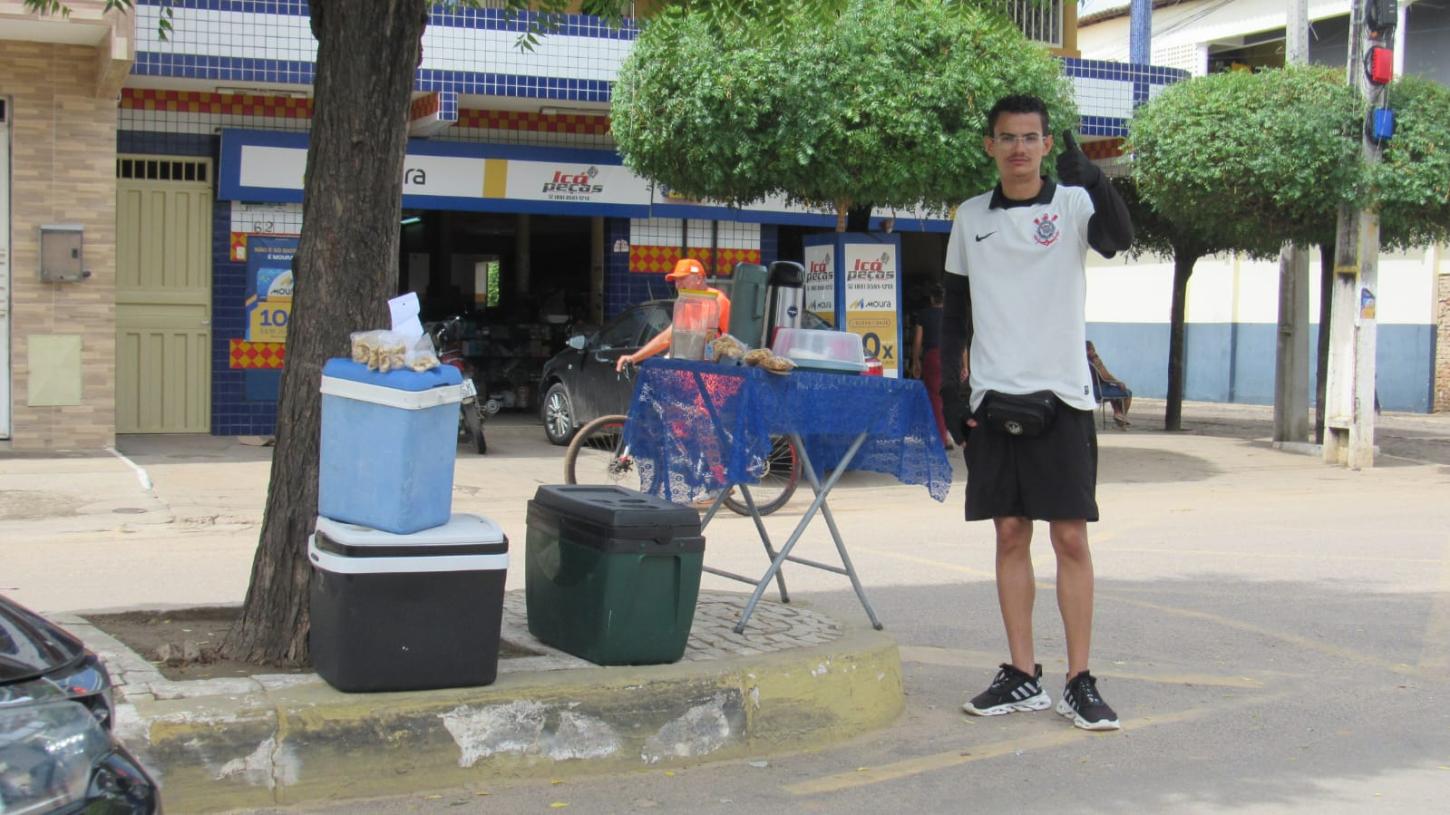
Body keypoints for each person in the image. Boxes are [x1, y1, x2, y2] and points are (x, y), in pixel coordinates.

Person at [939, 94, 1134, 731]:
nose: (1019, 148)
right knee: (1009, 533)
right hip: (994, 399)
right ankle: (1023, 674)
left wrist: (1099, 183)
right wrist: (951, 393)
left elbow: (1118, 240)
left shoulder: (1074, 203)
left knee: (1070, 537)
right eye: (1007, 138)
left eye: (1030, 137)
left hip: (1065, 398)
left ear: (1048, 145)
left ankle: (1080, 679)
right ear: (990, 146)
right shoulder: (970, 217)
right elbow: (953, 315)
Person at [616, 258, 733, 372]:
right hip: (691, 375)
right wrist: (634, 358)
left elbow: (719, 342)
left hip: (713, 376)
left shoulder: (717, 301)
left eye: (682, 279)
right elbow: (667, 337)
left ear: (698, 279)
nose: (677, 285)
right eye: (676, 280)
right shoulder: (686, 303)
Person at [911, 284, 953, 450]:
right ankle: (948, 435)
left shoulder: (924, 315)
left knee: (935, 398)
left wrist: (915, 361)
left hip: (933, 357)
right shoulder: (951, 316)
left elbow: (918, 341)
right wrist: (965, 365)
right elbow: (961, 342)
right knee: (949, 397)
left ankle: (941, 438)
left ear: (931, 299)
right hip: (951, 356)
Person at [1086, 341, 1133, 428]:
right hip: (1100, 390)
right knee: (1128, 393)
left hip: (1090, 391)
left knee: (1113, 391)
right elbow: (1106, 377)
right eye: (1092, 349)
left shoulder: (1083, 362)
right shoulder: (1095, 360)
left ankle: (1117, 412)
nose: (1094, 351)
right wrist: (1118, 383)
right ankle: (1120, 416)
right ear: (1090, 350)